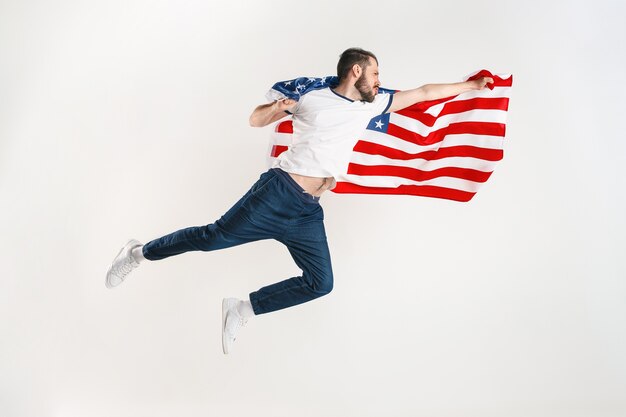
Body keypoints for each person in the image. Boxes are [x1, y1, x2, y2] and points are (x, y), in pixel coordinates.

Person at [106, 47, 493, 354]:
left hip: (308, 211)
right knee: (211, 238)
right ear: (355, 71)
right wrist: (276, 109)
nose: (380, 81)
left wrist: (471, 88)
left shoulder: (371, 105)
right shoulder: (312, 96)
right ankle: (139, 253)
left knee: (321, 283)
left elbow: (423, 93)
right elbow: (255, 121)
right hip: (277, 193)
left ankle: (241, 308)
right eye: (375, 73)